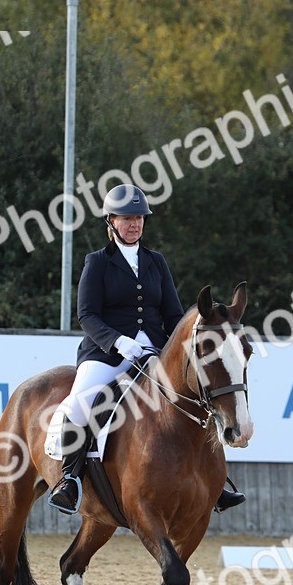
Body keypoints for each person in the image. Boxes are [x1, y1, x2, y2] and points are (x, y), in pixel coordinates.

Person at [48, 183, 247, 515]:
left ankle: (215, 481)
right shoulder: (97, 262)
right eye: (126, 218)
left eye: (139, 218)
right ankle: (69, 479)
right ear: (111, 221)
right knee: (81, 403)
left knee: (200, 394)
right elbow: (87, 314)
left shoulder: (156, 262)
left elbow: (172, 314)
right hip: (106, 354)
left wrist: (175, 350)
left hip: (154, 354)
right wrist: (118, 341)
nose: (134, 224)